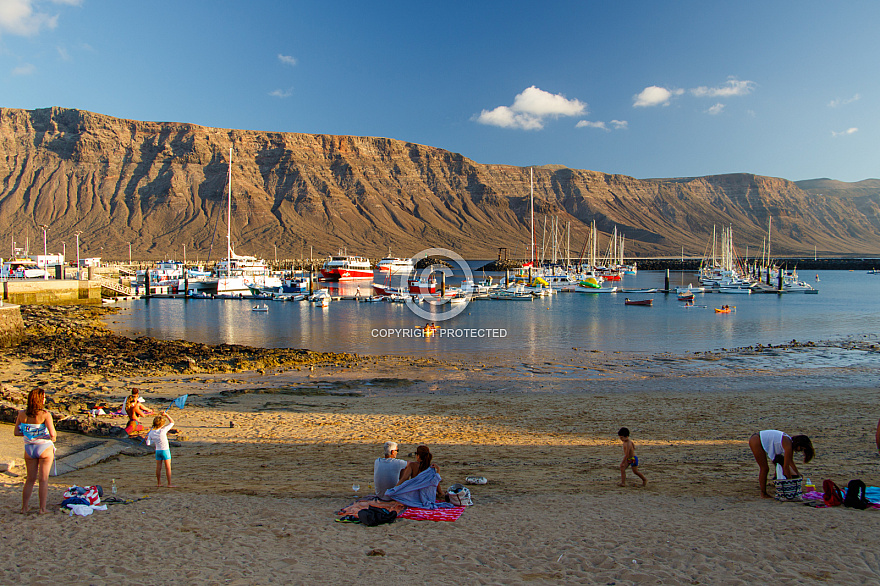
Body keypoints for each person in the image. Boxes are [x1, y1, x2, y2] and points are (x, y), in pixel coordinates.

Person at [13, 388, 57, 514]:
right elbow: (53, 435)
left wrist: (30, 434)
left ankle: (24, 507)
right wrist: (42, 435)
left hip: (29, 448)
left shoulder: (22, 414)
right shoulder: (45, 414)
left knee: (30, 479)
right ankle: (42, 509)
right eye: (43, 397)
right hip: (43, 448)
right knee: (43, 479)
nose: (45, 399)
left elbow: (16, 432)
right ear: (39, 399)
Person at [748, 430, 814, 498]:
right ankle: (763, 493)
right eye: (801, 448)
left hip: (758, 437)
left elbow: (790, 461)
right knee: (764, 468)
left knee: (778, 462)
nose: (800, 451)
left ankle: (775, 482)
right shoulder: (788, 445)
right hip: (756, 440)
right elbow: (786, 467)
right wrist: (790, 481)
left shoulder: (789, 442)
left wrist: (797, 473)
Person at [146, 411, 175, 487]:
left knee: (158, 467)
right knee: (168, 467)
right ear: (162, 424)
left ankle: (159, 483)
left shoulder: (151, 432)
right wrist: (166, 415)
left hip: (157, 451)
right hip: (165, 450)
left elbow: (148, 443)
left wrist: (151, 439)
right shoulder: (163, 430)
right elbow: (172, 422)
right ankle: (169, 483)